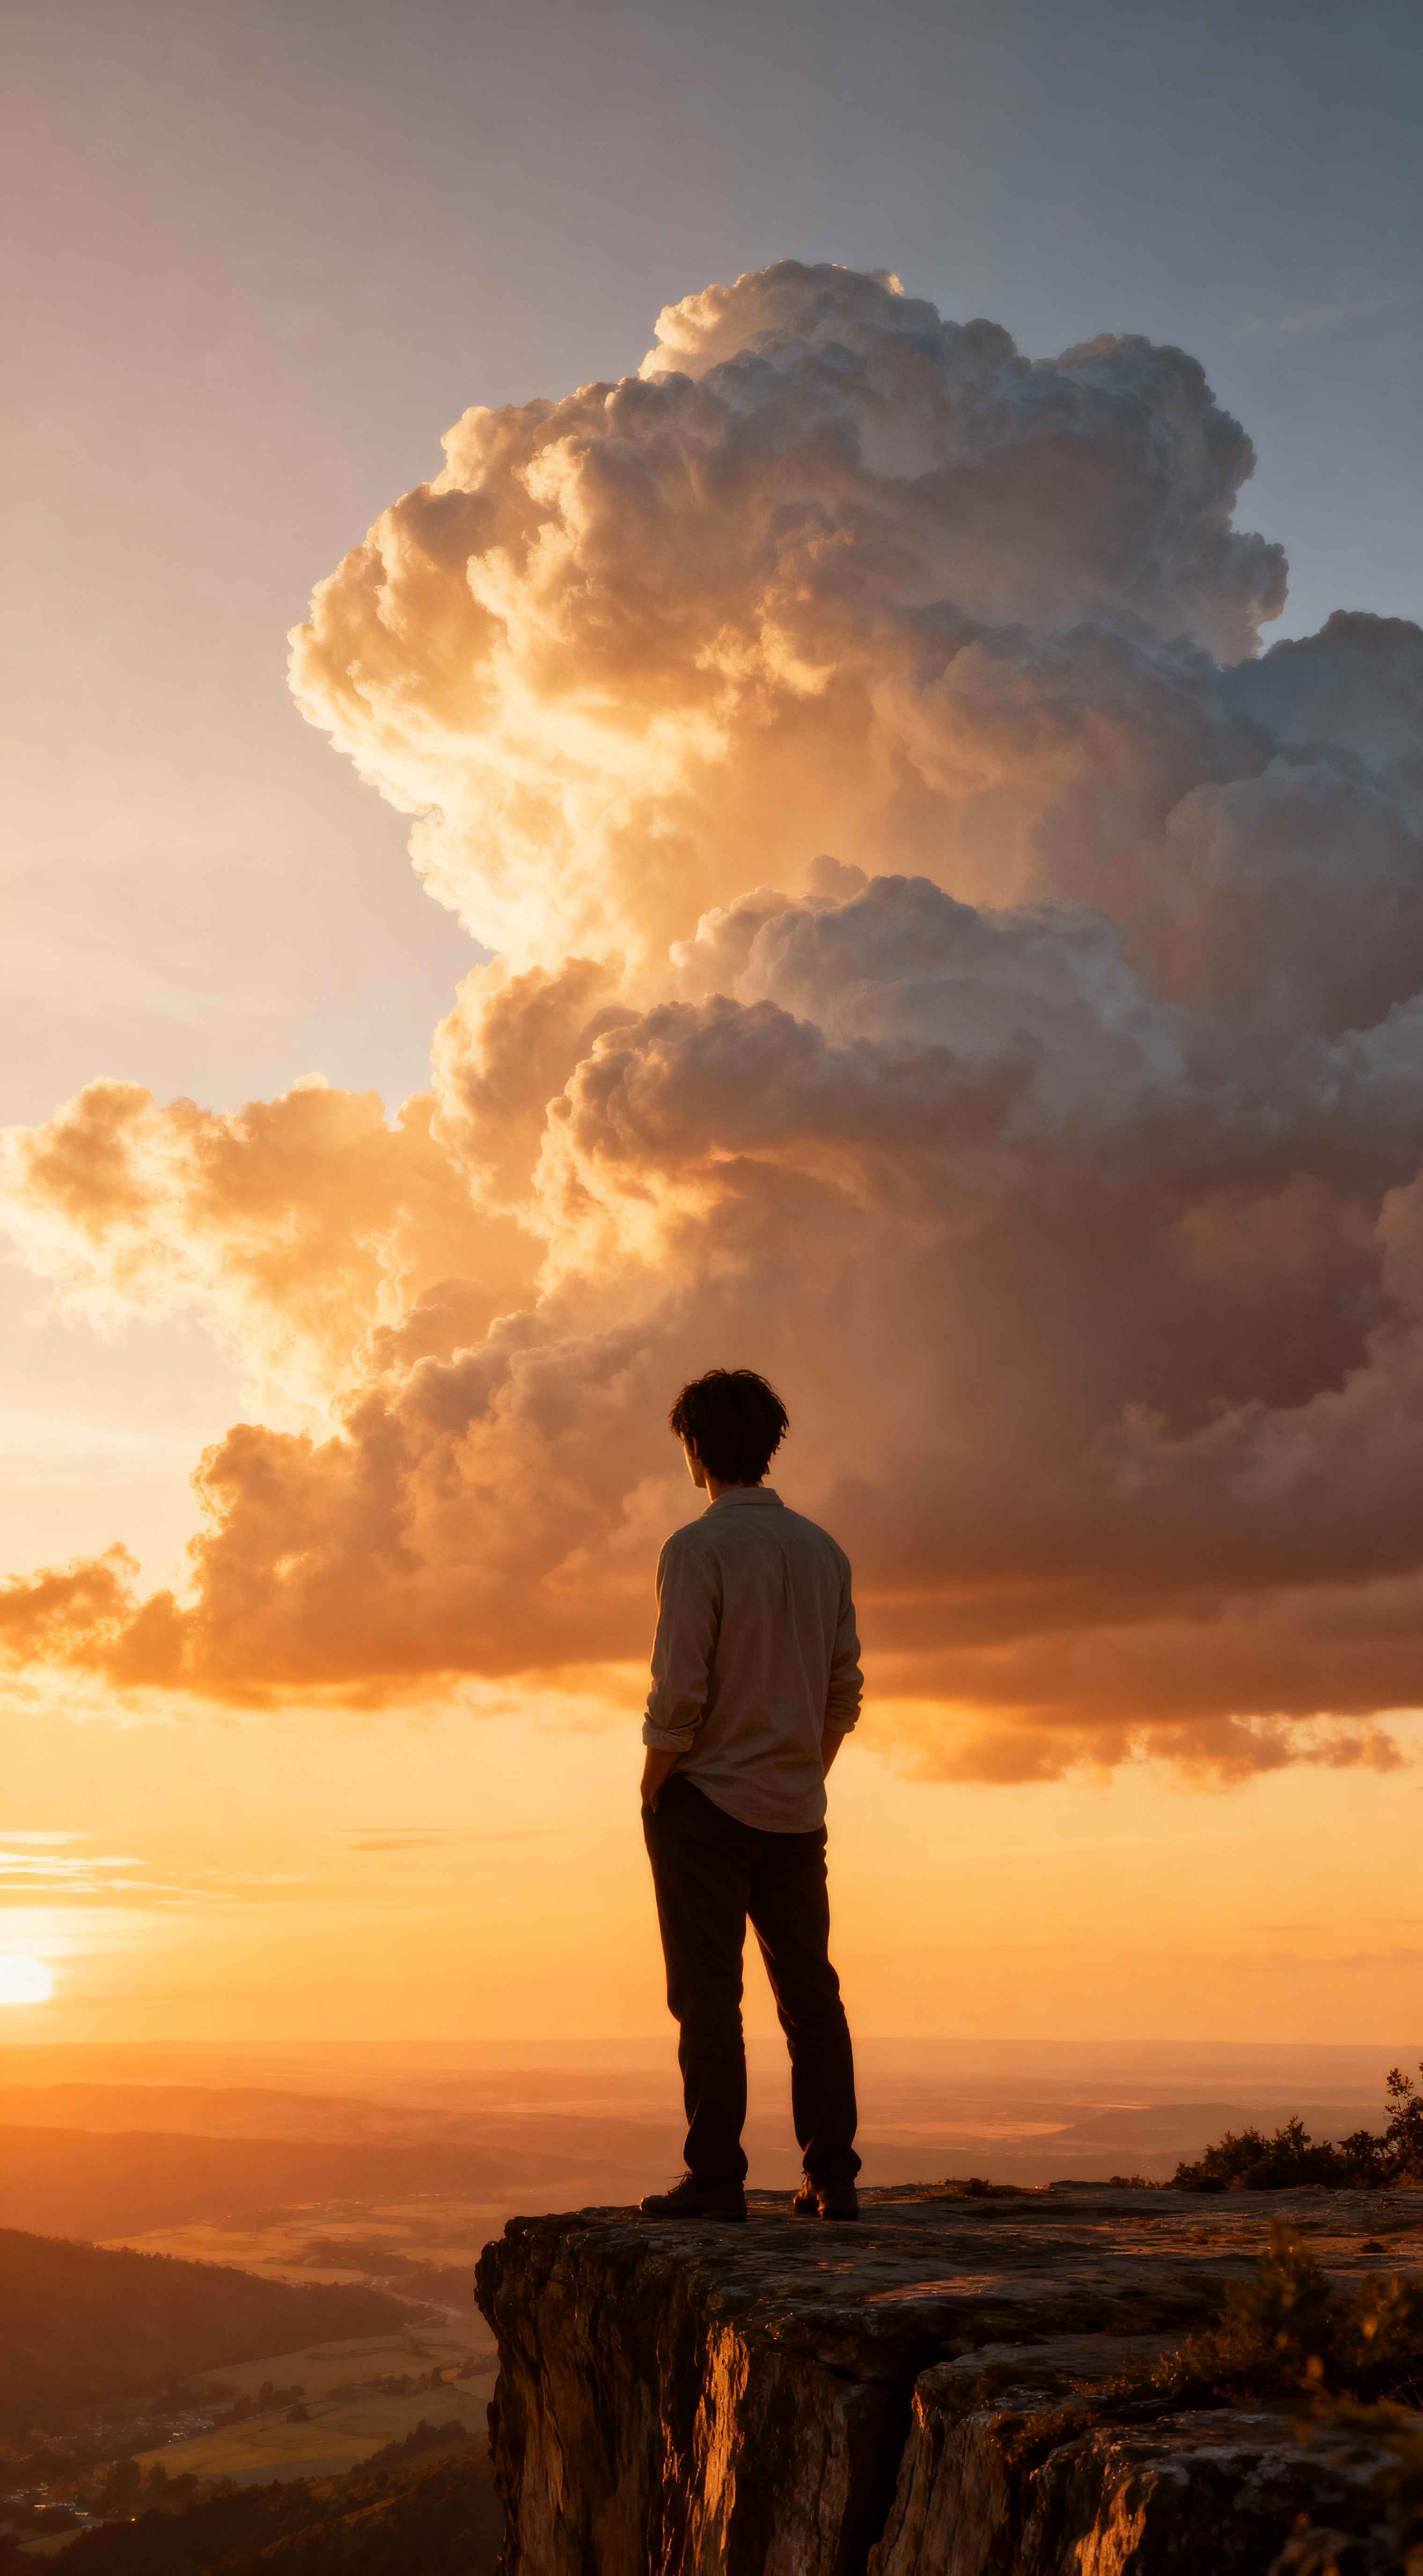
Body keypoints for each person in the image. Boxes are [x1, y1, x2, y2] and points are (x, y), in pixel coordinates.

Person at [638, 1367, 863, 2225]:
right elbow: (843, 1692)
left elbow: (680, 1691)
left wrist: (655, 1784)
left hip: (706, 1804)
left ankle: (717, 2180)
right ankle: (833, 2177)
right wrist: (806, 1769)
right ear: (769, 1446)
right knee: (811, 1996)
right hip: (797, 1808)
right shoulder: (822, 1550)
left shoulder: (696, 1551)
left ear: (694, 1448)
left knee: (707, 1998)